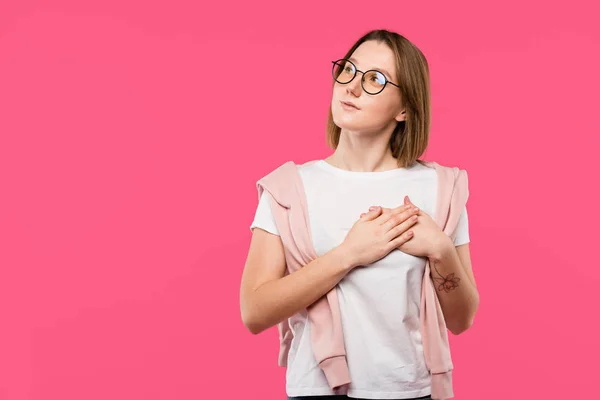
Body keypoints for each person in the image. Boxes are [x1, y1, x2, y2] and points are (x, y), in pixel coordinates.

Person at [240, 29, 480, 400]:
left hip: (412, 392)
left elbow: (462, 320)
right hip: (316, 391)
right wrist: (349, 254)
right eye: (347, 71)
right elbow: (254, 312)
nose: (350, 87)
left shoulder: (441, 189)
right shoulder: (289, 189)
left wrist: (442, 250)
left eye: (374, 80)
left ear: (404, 108)